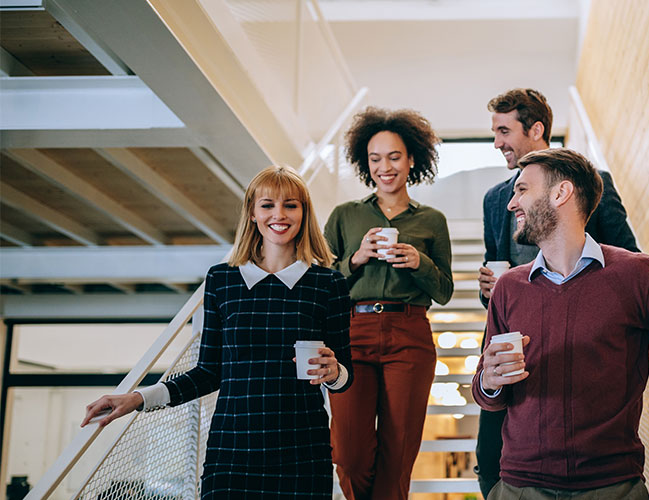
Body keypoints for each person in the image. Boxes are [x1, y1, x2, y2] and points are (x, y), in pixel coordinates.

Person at [472, 148, 649, 499]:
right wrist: (490, 381)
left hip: (613, 488)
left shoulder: (636, 274)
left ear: (561, 193)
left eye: (522, 190)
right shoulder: (508, 287)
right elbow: (485, 393)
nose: (511, 204)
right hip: (519, 488)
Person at [81, 165, 353, 498]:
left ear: (304, 213)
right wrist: (139, 398)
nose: (278, 214)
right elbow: (208, 373)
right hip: (232, 452)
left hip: (302, 451)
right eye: (267, 205)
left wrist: (334, 371)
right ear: (252, 213)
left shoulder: (329, 283)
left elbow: (346, 378)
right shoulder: (222, 280)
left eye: (290, 205)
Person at [475, 88, 640, 497]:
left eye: (503, 130)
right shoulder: (497, 198)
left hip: (578, 341)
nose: (497, 143)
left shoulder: (592, 184)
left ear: (536, 129)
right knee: (489, 456)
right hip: (516, 339)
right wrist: (492, 289)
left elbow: (627, 255)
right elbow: (496, 262)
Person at [324, 107, 453, 500]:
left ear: (411, 159)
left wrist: (419, 262)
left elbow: (444, 291)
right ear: (366, 164)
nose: (385, 167)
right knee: (348, 454)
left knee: (398, 454)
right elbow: (322, 284)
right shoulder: (345, 216)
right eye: (375, 158)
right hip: (352, 333)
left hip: (410, 333)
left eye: (394, 157)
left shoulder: (432, 220)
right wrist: (356, 258)